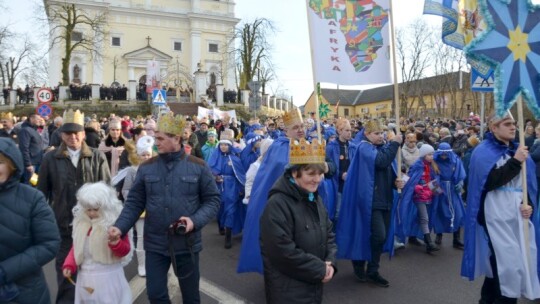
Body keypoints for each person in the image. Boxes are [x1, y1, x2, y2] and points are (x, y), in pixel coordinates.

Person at [108, 113, 220, 304]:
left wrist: (194, 221)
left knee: (191, 297)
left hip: (187, 244)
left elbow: (213, 200)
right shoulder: (146, 168)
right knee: (156, 295)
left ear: (176, 138)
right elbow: (134, 202)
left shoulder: (198, 166)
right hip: (155, 244)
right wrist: (120, 227)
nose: (155, 143)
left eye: (160, 138)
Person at [462, 113, 540, 303]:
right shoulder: (482, 152)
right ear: (493, 128)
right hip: (495, 212)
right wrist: (515, 161)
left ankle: (488, 299)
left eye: (514, 124)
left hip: (517, 213)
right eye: (507, 124)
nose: (513, 127)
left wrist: (527, 204)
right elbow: (488, 182)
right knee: (508, 263)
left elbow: (526, 183)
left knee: (511, 261)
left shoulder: (519, 150)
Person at [37, 109, 111, 304]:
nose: (73, 137)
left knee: (93, 271)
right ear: (61, 134)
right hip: (63, 226)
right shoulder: (50, 159)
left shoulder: (96, 156)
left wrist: (106, 221)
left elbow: (106, 190)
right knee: (66, 271)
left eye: (76, 132)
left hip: (91, 227)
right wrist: (43, 223)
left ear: (84, 134)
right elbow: (41, 194)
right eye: (68, 133)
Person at [259, 138, 337, 303]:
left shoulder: (314, 198)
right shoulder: (277, 204)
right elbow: (282, 252)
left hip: (313, 286)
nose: (317, 179)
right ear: (295, 173)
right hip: (288, 292)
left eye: (320, 174)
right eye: (311, 174)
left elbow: (328, 232)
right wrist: (320, 268)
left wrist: (330, 261)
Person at [336, 119, 404, 287]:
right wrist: (395, 143)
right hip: (370, 201)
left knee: (380, 237)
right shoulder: (364, 148)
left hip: (385, 199)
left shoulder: (382, 148)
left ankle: (373, 270)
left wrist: (396, 182)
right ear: (367, 134)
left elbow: (385, 173)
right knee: (377, 235)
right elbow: (380, 161)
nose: (380, 136)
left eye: (382, 133)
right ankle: (359, 262)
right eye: (376, 133)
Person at [0, 137, 60, 304]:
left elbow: (49, 244)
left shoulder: (32, 198)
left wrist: (5, 271)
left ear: (12, 165)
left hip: (25, 293)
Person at [62, 182, 132, 304]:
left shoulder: (115, 225)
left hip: (109, 279)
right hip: (85, 279)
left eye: (95, 209)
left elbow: (125, 250)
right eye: (88, 209)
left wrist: (116, 243)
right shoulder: (81, 224)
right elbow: (76, 248)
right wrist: (69, 265)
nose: (91, 213)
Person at [120, 135, 155, 277]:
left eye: (148, 154)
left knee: (154, 238)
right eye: (143, 155)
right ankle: (141, 265)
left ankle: (154, 264)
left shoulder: (157, 169)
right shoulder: (132, 171)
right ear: (138, 155)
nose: (146, 157)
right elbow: (125, 189)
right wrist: (136, 201)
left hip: (155, 208)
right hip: (140, 210)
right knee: (141, 237)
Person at [398, 144, 442, 253]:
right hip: (419, 197)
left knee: (420, 217)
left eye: (432, 154)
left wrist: (437, 191)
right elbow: (410, 178)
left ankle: (413, 236)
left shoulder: (432, 166)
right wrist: (416, 187)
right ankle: (429, 242)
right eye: (429, 154)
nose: (432, 156)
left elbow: (434, 180)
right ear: (423, 155)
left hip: (429, 196)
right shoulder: (417, 165)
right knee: (424, 218)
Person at [208, 129, 246, 249]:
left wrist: (241, 189)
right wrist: (215, 177)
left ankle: (228, 236)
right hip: (219, 187)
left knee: (230, 210)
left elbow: (240, 175)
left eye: (226, 145)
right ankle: (220, 225)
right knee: (220, 209)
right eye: (221, 145)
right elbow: (209, 171)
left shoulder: (235, 159)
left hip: (232, 187)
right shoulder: (215, 157)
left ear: (230, 146)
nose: (223, 147)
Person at [431, 142, 466, 249]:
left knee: (458, 213)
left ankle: (456, 239)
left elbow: (461, 174)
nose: (444, 156)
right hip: (440, 190)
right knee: (440, 212)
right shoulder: (434, 161)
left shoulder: (456, 160)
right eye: (442, 154)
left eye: (446, 154)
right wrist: (435, 190)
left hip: (453, 190)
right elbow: (431, 177)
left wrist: (460, 183)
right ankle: (439, 235)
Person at [18, 113, 43, 184]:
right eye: (38, 119)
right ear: (31, 119)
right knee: (29, 184)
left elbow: (35, 146)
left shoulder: (34, 130)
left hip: (37, 162)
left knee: (34, 183)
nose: (40, 121)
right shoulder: (25, 130)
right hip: (31, 164)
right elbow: (24, 148)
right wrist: (28, 164)